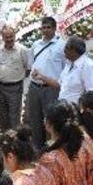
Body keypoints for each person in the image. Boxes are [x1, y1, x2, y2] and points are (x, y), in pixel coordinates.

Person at [25, 17, 66, 149]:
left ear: (54, 28)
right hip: (34, 87)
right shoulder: (36, 44)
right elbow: (31, 63)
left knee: (51, 119)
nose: (46, 30)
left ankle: (52, 149)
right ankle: (38, 149)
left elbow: (66, 68)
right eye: (43, 27)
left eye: (48, 27)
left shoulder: (62, 45)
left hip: (51, 89)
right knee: (34, 120)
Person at [39, 36, 93, 105]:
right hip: (63, 106)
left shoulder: (88, 65)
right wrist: (42, 77)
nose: (64, 50)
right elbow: (59, 84)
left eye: (66, 48)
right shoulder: (69, 63)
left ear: (74, 51)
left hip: (77, 108)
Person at [0, 25, 30, 131]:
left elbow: (28, 68)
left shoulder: (22, 50)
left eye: (11, 36)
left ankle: (15, 139)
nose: (9, 39)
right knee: (2, 115)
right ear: (2, 37)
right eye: (7, 37)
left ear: (14, 36)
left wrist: (17, 78)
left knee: (14, 116)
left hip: (15, 88)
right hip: (0, 87)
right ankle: (5, 138)